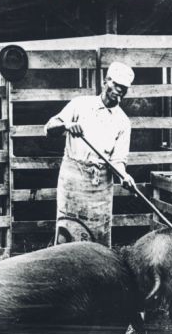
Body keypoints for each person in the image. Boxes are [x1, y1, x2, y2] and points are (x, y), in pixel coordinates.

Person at [44, 61, 136, 247]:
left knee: (98, 240)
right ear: (105, 81)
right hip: (73, 181)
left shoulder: (123, 122)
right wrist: (67, 126)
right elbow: (48, 128)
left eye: (123, 88)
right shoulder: (80, 105)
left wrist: (124, 176)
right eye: (116, 85)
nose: (119, 90)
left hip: (100, 186)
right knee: (67, 236)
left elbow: (117, 161)